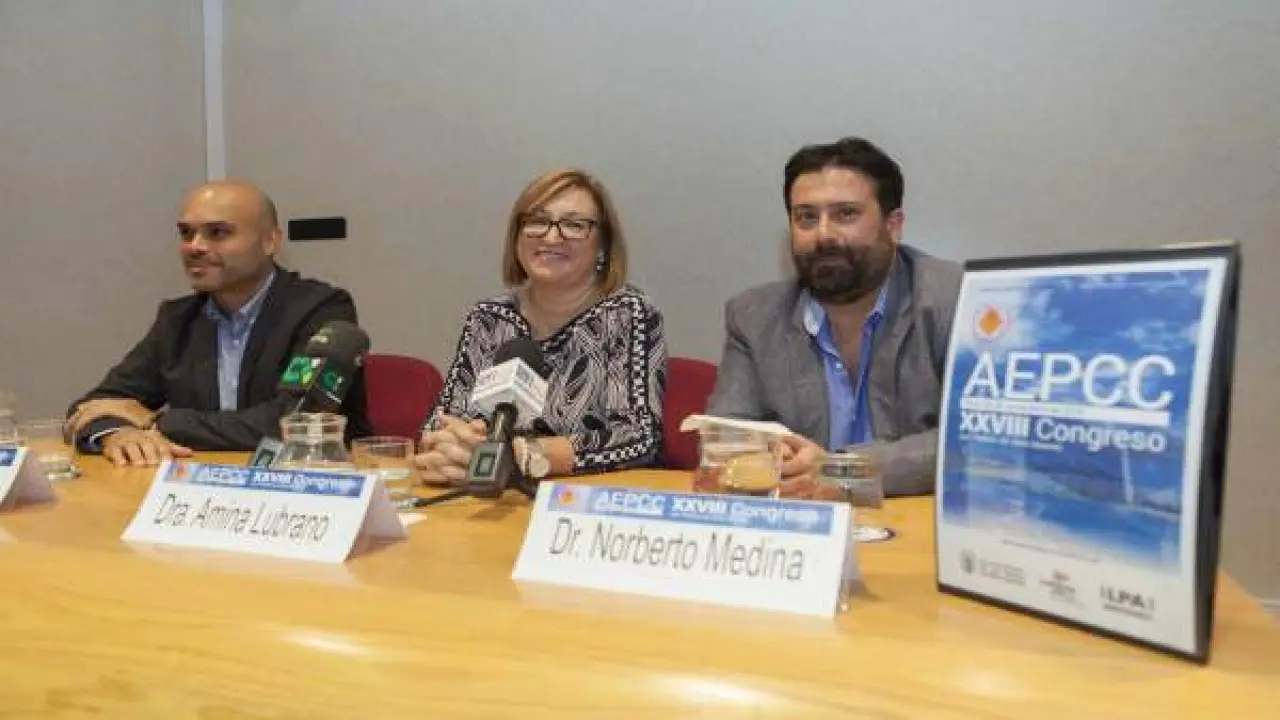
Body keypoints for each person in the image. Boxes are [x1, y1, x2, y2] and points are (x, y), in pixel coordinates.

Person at [707, 137, 962, 496]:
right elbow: (727, 440)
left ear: (893, 225)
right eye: (806, 217)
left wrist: (839, 472)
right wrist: (768, 460)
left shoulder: (955, 299)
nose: (824, 235)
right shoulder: (753, 317)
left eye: (846, 214)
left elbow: (975, 443)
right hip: (804, 523)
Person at [66, 180, 372, 466]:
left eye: (218, 233)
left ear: (270, 241)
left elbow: (293, 422)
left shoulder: (320, 309)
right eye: (186, 233)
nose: (194, 246)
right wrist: (118, 433)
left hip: (311, 483)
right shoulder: (178, 320)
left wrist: (155, 421)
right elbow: (95, 406)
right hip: (209, 485)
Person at [416, 168, 666, 483]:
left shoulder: (626, 314)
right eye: (537, 221)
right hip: (488, 500)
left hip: (582, 500)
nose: (551, 237)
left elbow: (640, 438)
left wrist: (517, 456)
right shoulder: (490, 318)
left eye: (574, 225)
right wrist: (448, 448)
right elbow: (439, 424)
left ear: (603, 244)